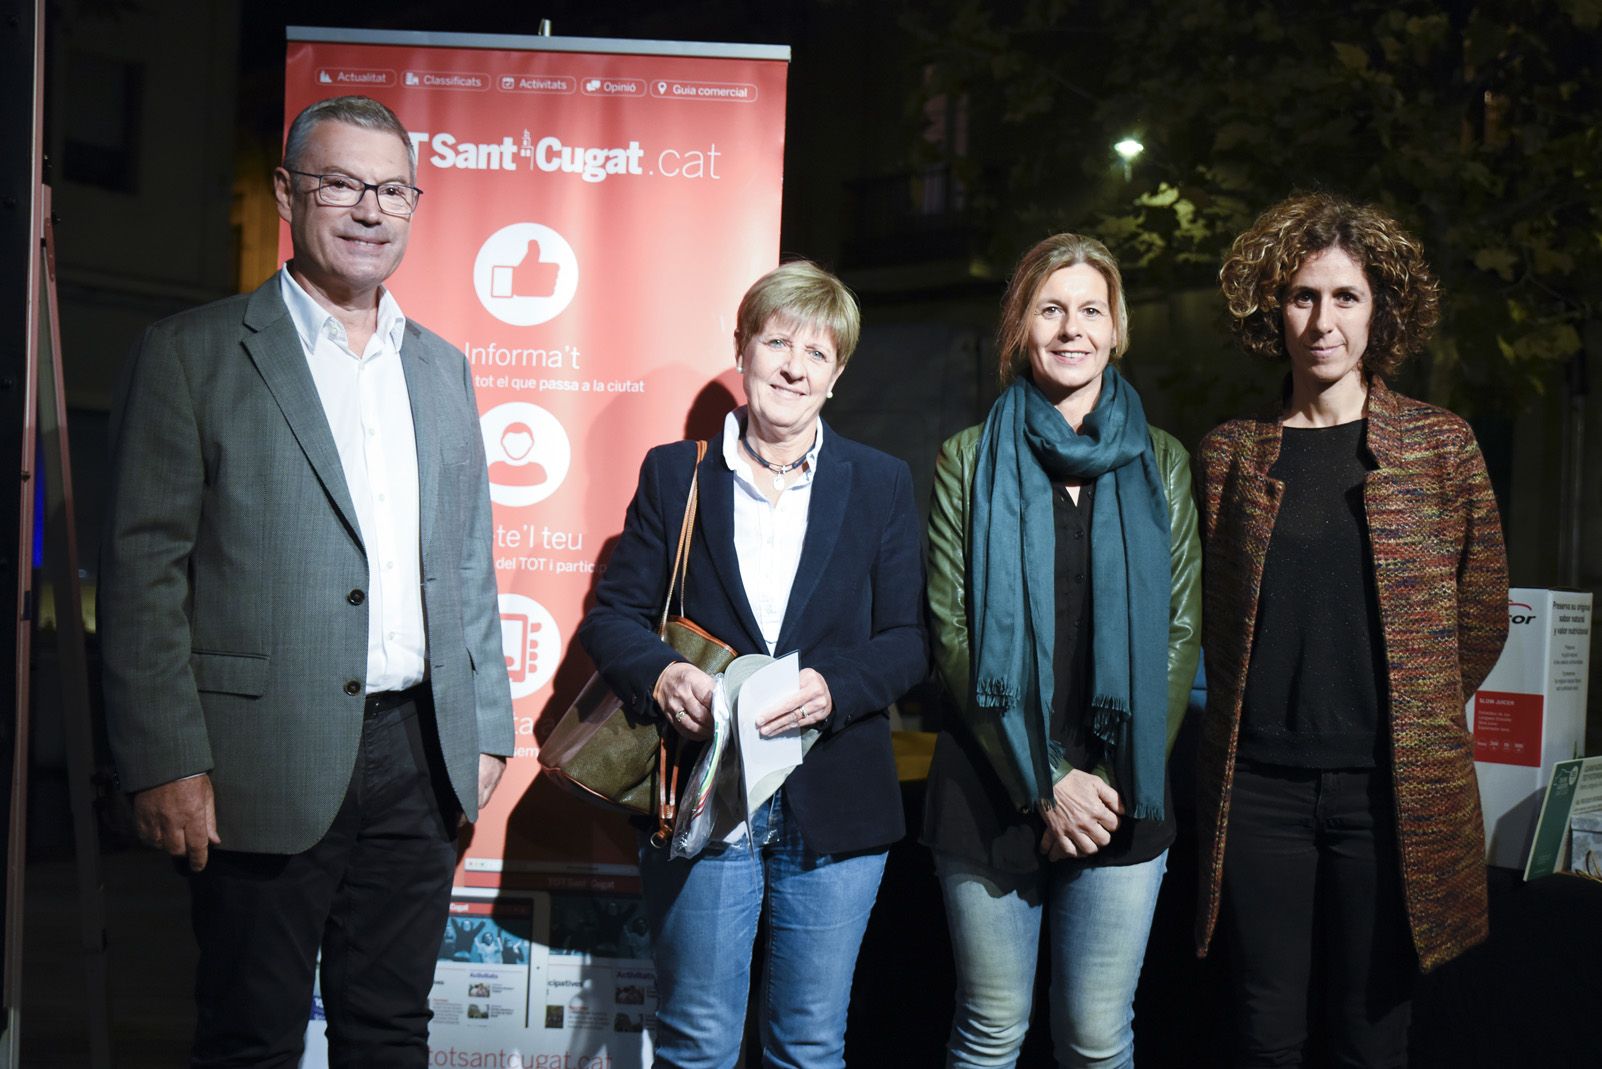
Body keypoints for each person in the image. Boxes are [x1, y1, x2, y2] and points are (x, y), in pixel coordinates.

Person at [99, 95, 515, 1067]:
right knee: (249, 1033)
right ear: (289, 193)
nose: (369, 211)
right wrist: (163, 758)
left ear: (414, 205)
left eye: (391, 190)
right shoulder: (192, 354)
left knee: (390, 1029)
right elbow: (141, 571)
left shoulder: (443, 368)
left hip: (421, 754)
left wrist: (487, 722)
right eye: (340, 184)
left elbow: (468, 559)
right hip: (258, 757)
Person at [577, 260, 928, 1069]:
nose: (795, 368)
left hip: (835, 798)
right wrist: (664, 675)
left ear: (837, 375)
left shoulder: (879, 482)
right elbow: (614, 616)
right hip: (707, 796)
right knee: (697, 1042)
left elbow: (910, 640)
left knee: (808, 1046)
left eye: (819, 354)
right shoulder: (679, 472)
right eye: (778, 342)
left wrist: (834, 687)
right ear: (743, 349)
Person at [1194, 192, 1509, 1066]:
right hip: (1261, 790)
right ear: (1275, 310)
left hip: (1389, 792)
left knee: (1374, 1034)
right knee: (1265, 1031)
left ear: (1381, 311)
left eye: (1346, 297)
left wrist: (1410, 713)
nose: (1322, 320)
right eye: (1302, 296)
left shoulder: (1441, 446)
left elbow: (1481, 612)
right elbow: (1218, 627)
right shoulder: (1230, 454)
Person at [924, 233, 1201, 1068]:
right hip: (991, 785)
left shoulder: (1164, 462)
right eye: (1051, 309)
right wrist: (1043, 782)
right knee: (991, 1028)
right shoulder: (967, 460)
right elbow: (952, 633)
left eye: (1090, 309)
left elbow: (1180, 635)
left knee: (1094, 1033)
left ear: (1116, 328)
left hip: (1124, 788)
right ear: (1021, 327)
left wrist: (1103, 787)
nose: (1071, 328)